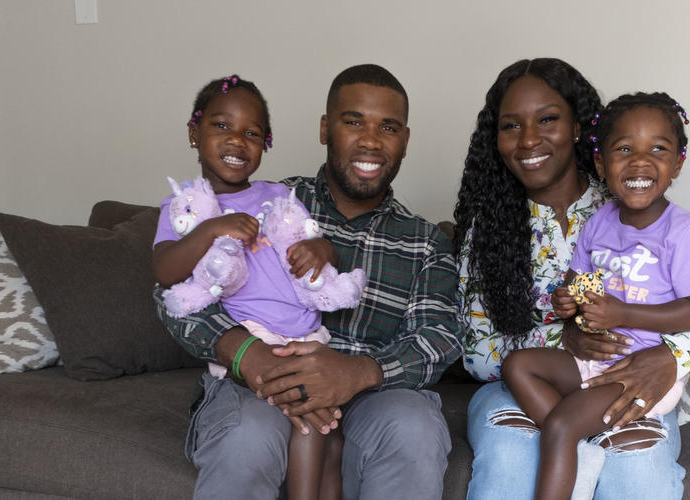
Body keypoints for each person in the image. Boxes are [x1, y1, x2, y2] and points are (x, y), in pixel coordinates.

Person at [154, 64, 462, 500]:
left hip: (372, 398)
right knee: (248, 436)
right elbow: (173, 289)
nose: (370, 140)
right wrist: (247, 354)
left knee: (414, 428)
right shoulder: (269, 202)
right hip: (260, 382)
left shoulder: (425, 243)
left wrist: (357, 372)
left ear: (404, 141)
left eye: (387, 127)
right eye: (353, 121)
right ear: (324, 128)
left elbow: (439, 336)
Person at [454, 58, 690, 500]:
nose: (529, 140)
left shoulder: (630, 199)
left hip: (633, 375)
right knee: (513, 455)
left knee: (639, 471)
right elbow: (479, 354)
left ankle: (584, 438)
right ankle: (577, 440)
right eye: (511, 126)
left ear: (578, 128)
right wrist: (568, 336)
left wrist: (671, 359)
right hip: (527, 387)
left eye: (547, 119)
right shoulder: (487, 229)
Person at [152, 74, 349, 500]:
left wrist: (321, 249)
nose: (237, 141)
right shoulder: (184, 206)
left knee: (325, 427)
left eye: (252, 133)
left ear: (266, 144)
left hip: (303, 335)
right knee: (303, 411)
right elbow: (166, 272)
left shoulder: (279, 195)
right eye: (221, 126)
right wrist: (211, 229)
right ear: (194, 132)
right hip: (251, 340)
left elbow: (312, 243)